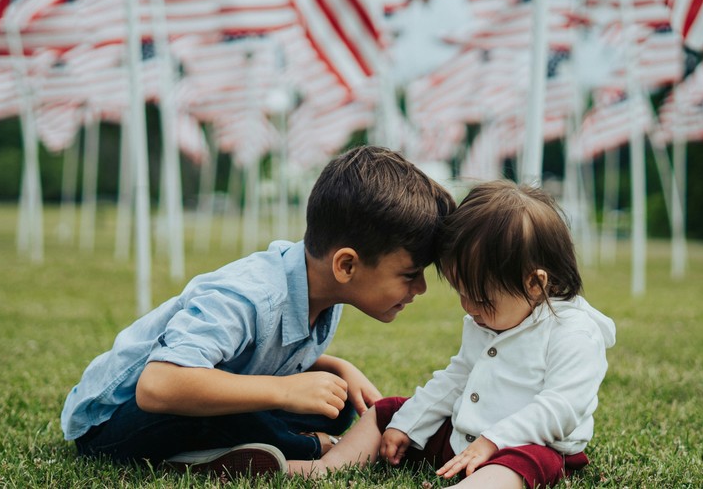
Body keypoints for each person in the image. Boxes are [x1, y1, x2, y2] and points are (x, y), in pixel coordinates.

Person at [59, 145, 456, 477]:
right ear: (346, 266)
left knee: (334, 410)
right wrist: (285, 390)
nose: (419, 288)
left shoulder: (320, 287)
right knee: (251, 412)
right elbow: (158, 385)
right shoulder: (249, 295)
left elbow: (255, 353)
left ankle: (217, 454)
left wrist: (336, 367)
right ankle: (306, 452)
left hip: (197, 395)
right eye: (409, 274)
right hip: (113, 423)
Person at [289, 180, 616, 488]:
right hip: (463, 437)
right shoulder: (486, 320)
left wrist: (493, 442)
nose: (468, 307)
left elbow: (560, 409)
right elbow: (456, 377)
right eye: (461, 292)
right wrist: (407, 424)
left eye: (481, 298)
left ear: (536, 283)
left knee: (523, 463)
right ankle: (327, 467)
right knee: (389, 410)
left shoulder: (574, 333)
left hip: (526, 446)